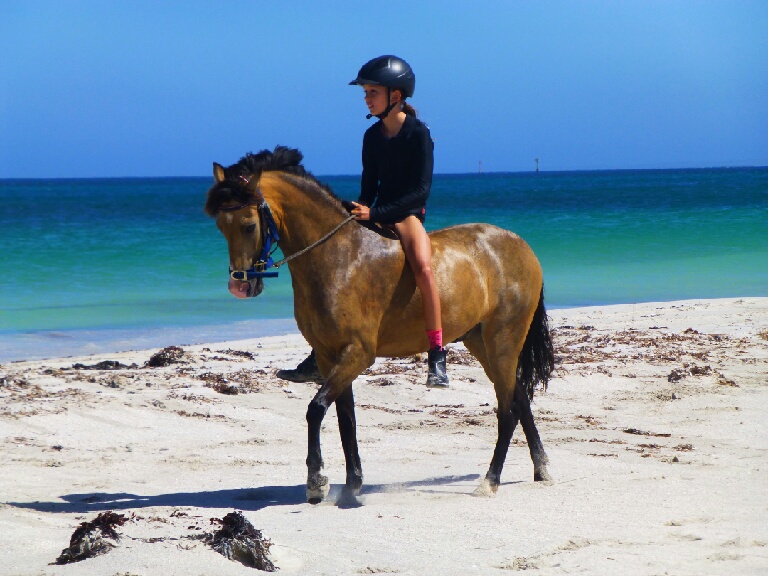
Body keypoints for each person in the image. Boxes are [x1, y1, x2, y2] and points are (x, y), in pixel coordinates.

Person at [277, 55, 449, 388]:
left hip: (408, 214)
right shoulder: (371, 136)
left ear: (395, 96)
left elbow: (421, 191)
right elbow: (369, 187)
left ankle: (437, 355)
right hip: (378, 211)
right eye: (366, 92)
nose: (367, 98)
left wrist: (377, 214)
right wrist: (354, 210)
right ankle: (319, 353)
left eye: (373, 92)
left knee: (424, 269)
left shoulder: (418, 134)